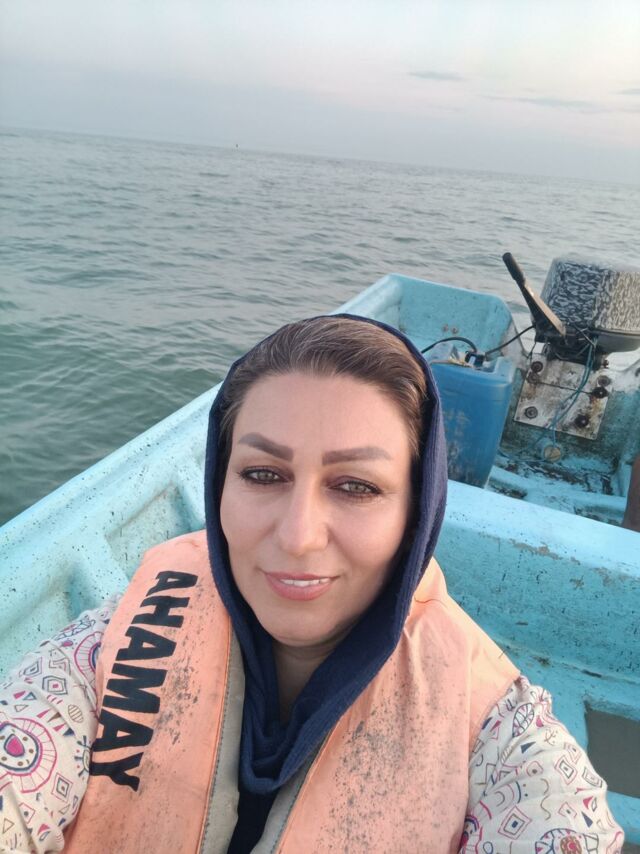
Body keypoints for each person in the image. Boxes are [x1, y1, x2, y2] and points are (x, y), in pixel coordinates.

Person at [0, 316, 623, 853]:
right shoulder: (105, 653)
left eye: (356, 486)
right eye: (263, 474)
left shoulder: (497, 733)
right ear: (219, 484)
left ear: (415, 514)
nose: (298, 536)